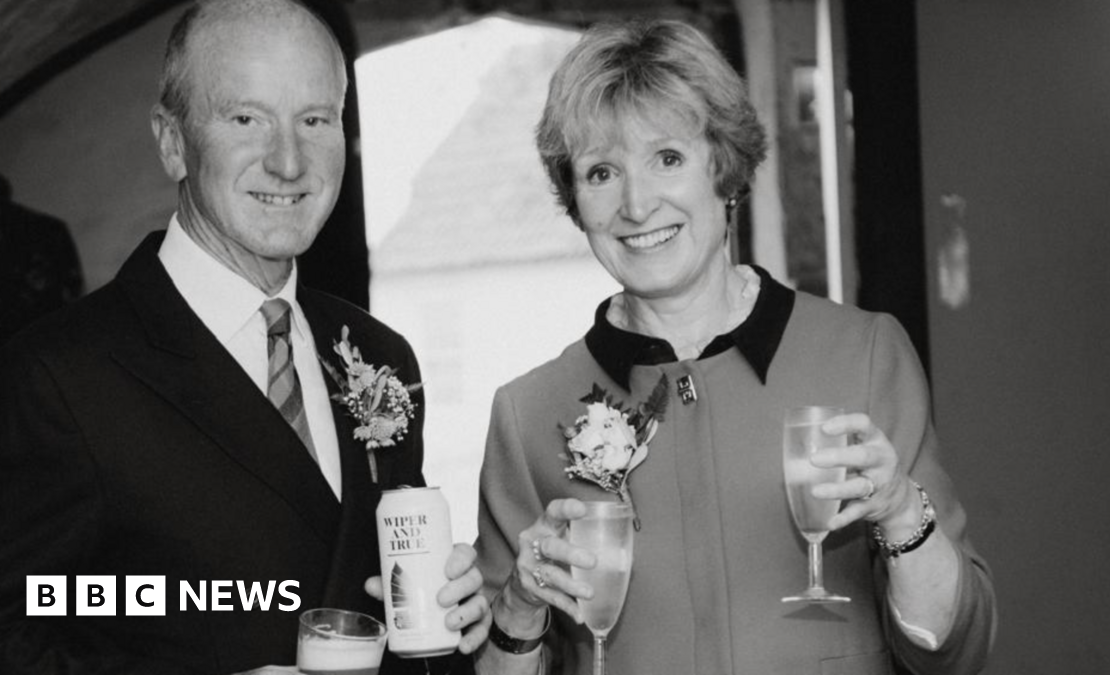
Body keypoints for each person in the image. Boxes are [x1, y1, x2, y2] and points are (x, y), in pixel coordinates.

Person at [472, 19, 996, 674]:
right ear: (576, 200)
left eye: (668, 158)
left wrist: (898, 511)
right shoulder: (526, 416)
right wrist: (520, 607)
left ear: (725, 167)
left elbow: (956, 650)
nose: (637, 204)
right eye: (602, 171)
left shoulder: (862, 354)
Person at [0, 1, 488, 673]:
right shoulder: (56, 377)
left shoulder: (377, 355)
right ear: (172, 142)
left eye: (315, 120)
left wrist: (455, 619)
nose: (289, 161)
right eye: (246, 118)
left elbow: (391, 611)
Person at [0, 173, 84, 345]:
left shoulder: (46, 229)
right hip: (49, 328)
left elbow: (73, 282)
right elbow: (74, 281)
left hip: (36, 329)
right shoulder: (49, 227)